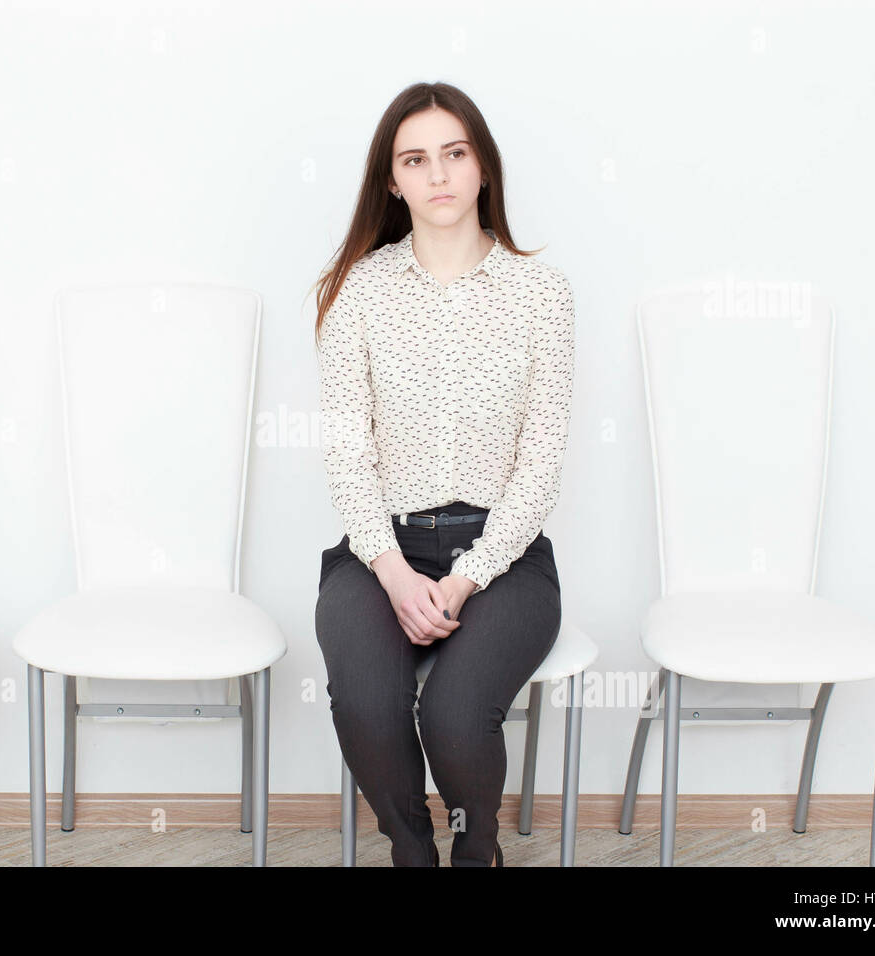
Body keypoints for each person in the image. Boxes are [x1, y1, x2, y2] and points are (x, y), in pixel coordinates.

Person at [312, 81, 575, 867]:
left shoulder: (542, 295)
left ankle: (476, 851)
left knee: (456, 718)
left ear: (482, 165)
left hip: (503, 556)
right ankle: (411, 851)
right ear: (392, 181)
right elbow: (347, 455)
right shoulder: (359, 291)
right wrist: (394, 574)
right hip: (381, 549)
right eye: (415, 159)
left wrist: (465, 579)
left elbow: (540, 466)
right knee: (366, 704)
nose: (438, 174)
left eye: (455, 153)